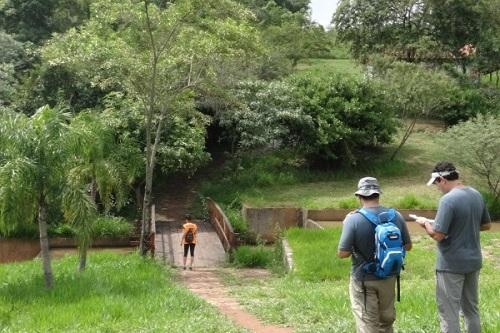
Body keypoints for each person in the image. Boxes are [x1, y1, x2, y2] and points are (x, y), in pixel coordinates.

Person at [415, 161, 491, 333]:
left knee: (449, 312)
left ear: (442, 179)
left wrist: (425, 224)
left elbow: (438, 235)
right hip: (473, 261)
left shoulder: (447, 200)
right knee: (471, 309)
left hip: (451, 264)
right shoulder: (476, 194)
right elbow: (486, 225)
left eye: (436, 184)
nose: (437, 188)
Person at [337, 177, 412, 333]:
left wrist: (346, 225)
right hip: (389, 276)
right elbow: (408, 246)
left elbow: (342, 253)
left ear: (359, 196)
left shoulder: (353, 219)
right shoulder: (395, 216)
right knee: (386, 321)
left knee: (367, 323)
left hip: (363, 279)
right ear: (378, 194)